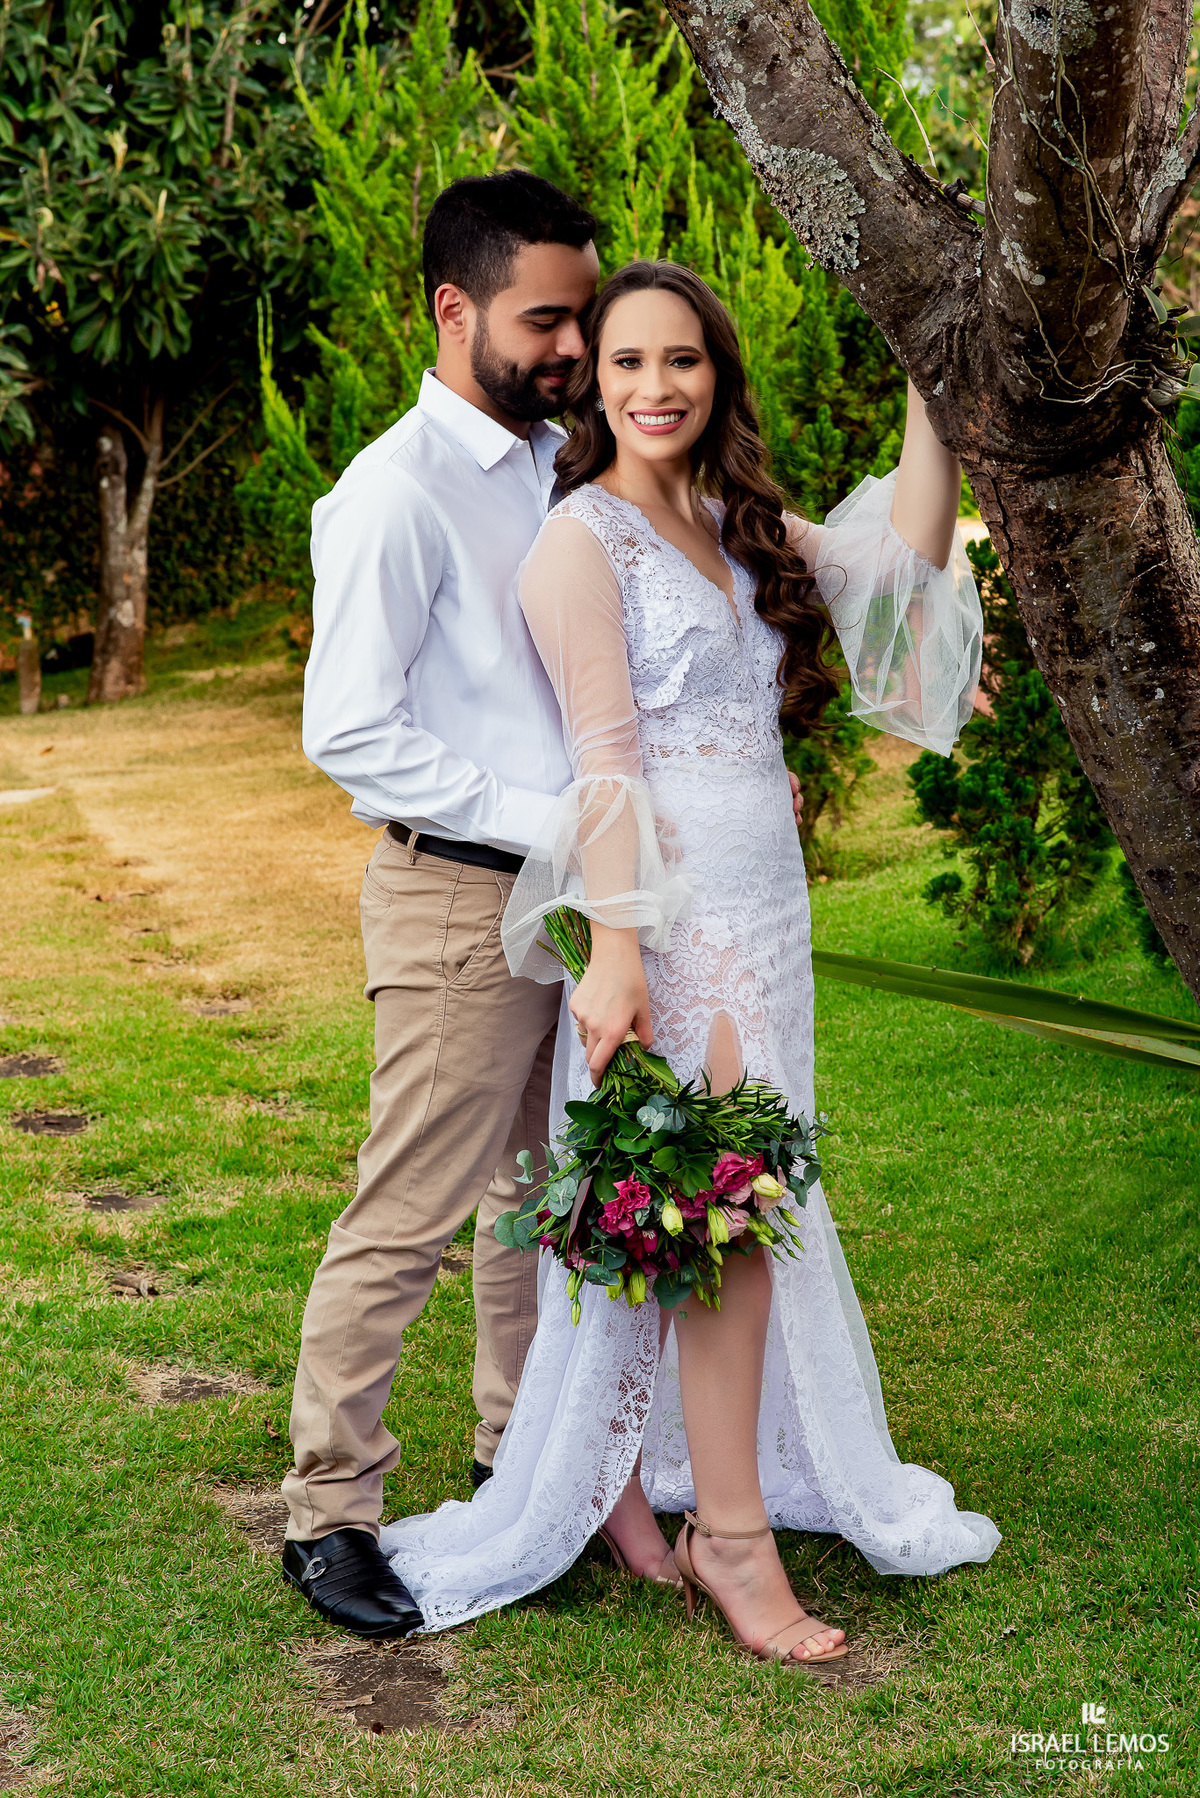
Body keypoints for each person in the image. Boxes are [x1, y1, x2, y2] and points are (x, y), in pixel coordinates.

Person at [379, 261, 1000, 1664]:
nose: (656, 388)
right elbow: (603, 767)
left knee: (726, 1209)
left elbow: (897, 579)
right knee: (722, 1213)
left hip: (766, 912)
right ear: (591, 386)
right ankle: (732, 1536)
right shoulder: (577, 542)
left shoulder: (728, 520)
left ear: (716, 375)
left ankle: (631, 1489)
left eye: (683, 363)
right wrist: (616, 952)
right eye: (626, 364)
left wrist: (932, 386)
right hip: (669, 917)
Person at [279, 171, 601, 1640]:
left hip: (565, 901)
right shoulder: (392, 492)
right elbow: (347, 727)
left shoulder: (552, 464)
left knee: (532, 1200)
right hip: (456, 899)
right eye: (547, 319)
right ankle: (329, 1510)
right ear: (452, 307)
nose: (575, 349)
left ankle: (515, 1459)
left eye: (581, 318)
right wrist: (554, 821)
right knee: (408, 1208)